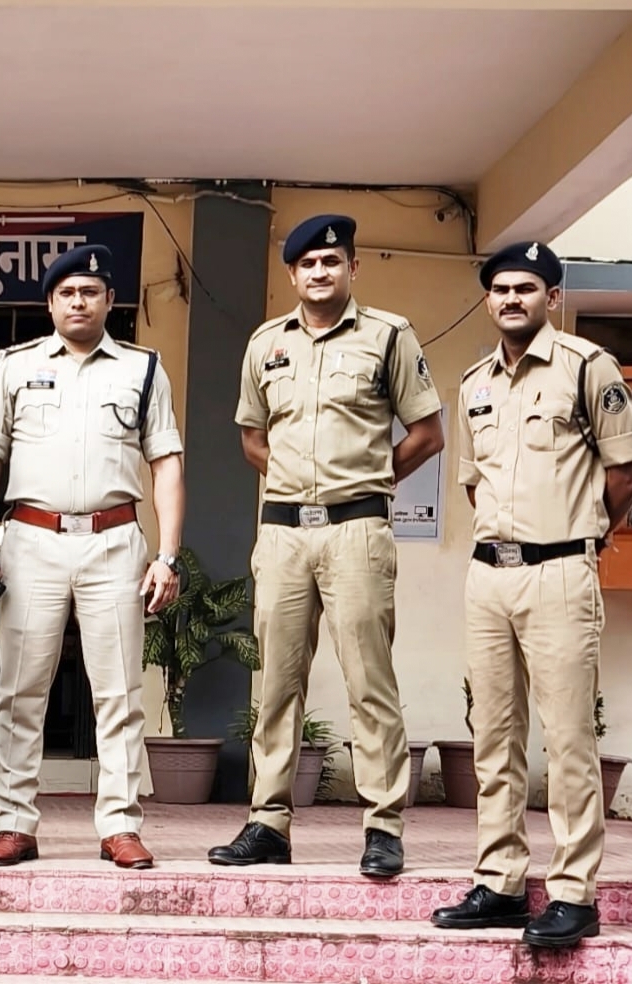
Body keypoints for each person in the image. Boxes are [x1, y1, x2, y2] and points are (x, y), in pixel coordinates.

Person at [210, 214, 444, 878]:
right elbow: (251, 437)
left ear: (352, 268)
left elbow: (427, 432)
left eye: (332, 261)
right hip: (283, 533)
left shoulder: (388, 335)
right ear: (292, 274)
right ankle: (268, 823)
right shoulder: (266, 343)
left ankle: (383, 827)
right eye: (308, 263)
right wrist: (294, 480)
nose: (320, 272)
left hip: (356, 531)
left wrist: (367, 480)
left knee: (370, 680)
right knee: (276, 682)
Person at [431, 241, 632, 949]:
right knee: (493, 735)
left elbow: (626, 475)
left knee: (569, 736)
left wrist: (582, 537)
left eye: (526, 288)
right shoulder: (473, 383)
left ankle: (574, 893)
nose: (512, 299)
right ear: (488, 300)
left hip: (561, 574)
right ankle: (499, 882)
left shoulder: (588, 368)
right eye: (501, 289)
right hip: (489, 576)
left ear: (551, 297)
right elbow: (476, 483)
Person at [0, 244, 185, 870]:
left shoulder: (144, 369)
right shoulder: (14, 367)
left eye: (90, 291)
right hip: (32, 541)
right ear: (50, 303)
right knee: (20, 691)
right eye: (67, 293)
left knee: (119, 693)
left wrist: (167, 555)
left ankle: (120, 824)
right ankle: (14, 823)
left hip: (114, 541)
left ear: (110, 300)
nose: (79, 302)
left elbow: (166, 463)